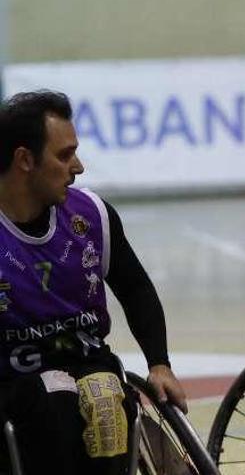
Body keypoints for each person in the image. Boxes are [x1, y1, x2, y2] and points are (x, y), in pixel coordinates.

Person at [0, 90, 187, 474]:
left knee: (104, 401)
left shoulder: (91, 215)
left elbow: (135, 287)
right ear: (24, 160)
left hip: (87, 363)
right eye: (64, 155)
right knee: (56, 401)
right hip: (15, 378)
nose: (79, 167)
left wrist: (160, 364)